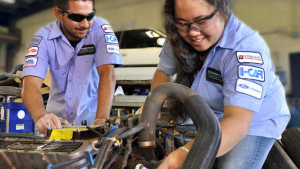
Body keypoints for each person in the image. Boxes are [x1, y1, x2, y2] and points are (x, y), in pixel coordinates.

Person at [143, 0, 291, 168]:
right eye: (183, 23)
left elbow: (237, 123)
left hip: (252, 120)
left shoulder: (246, 49)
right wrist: (152, 108)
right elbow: (163, 71)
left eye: (201, 21)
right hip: (212, 113)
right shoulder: (179, 37)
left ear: (223, 12)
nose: (193, 32)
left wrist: (186, 153)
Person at [21, 0, 123, 134]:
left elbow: (107, 74)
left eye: (90, 16)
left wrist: (102, 117)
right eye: (77, 17)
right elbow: (30, 84)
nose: (85, 24)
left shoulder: (100, 30)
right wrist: (41, 115)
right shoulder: (44, 38)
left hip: (93, 124)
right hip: (57, 125)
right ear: (58, 14)